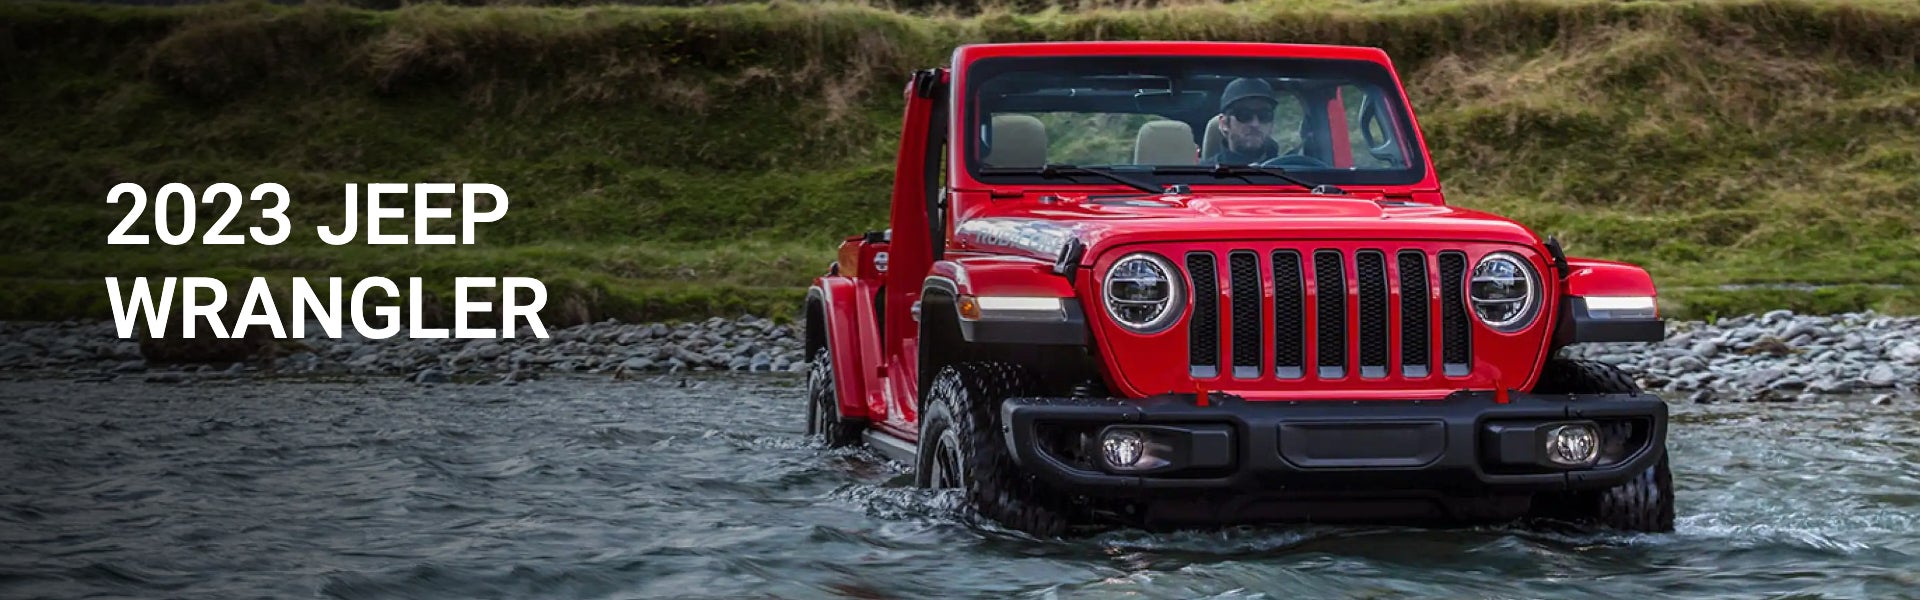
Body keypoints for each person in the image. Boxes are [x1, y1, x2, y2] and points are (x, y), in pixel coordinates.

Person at [1201, 77, 1282, 166]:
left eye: (1264, 115)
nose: (1255, 124)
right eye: (1244, 115)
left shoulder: (1290, 169)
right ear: (1224, 124)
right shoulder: (1204, 175)